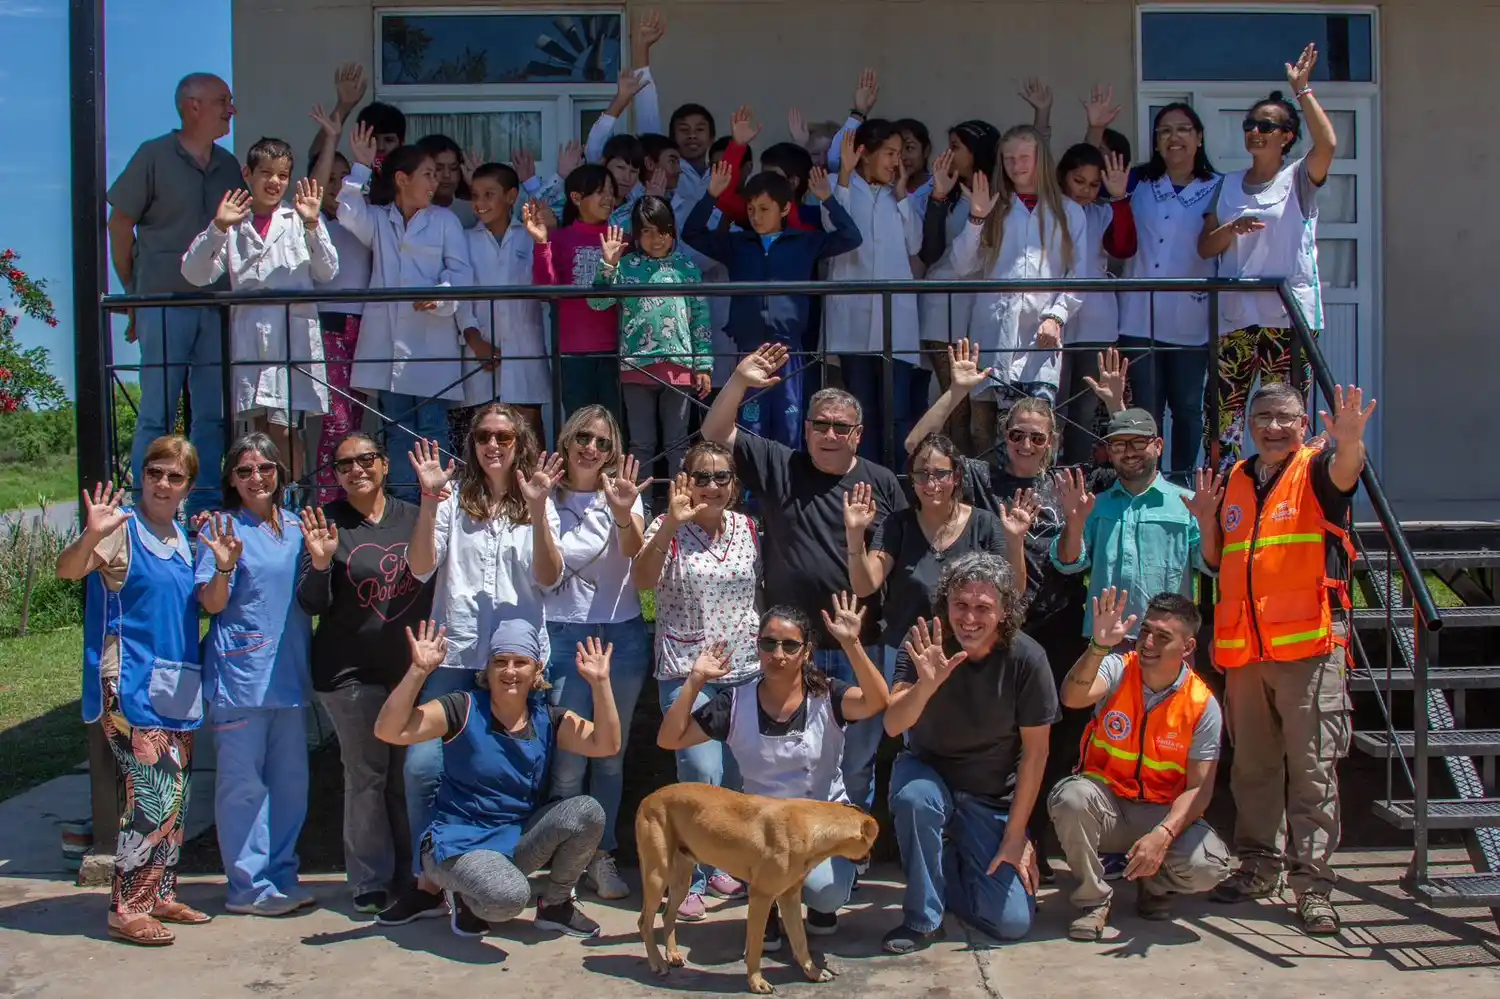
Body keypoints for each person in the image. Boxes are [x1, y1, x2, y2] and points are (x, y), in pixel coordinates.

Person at [1197, 381, 1372, 936]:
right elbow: (1217, 557)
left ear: (1303, 425)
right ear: (1249, 422)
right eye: (1264, 416)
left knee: (1313, 772)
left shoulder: (1317, 470)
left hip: (1308, 650)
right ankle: (1258, 867)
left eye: (1286, 418)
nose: (1274, 427)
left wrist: (1348, 442)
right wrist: (1206, 518)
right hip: (1246, 653)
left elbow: (1347, 473)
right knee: (1253, 769)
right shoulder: (1236, 480)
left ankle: (1313, 885)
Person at [703, 345, 908, 814]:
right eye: (819, 424)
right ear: (806, 427)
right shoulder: (781, 463)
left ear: (858, 434)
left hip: (859, 646)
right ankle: (781, 853)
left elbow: (879, 572)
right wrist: (738, 380)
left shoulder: (882, 483)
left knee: (856, 763)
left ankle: (844, 861)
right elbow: (714, 433)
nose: (828, 435)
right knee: (779, 762)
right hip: (789, 651)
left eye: (840, 427)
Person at [381, 404, 564, 925]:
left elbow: (549, 577)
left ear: (519, 441)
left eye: (505, 435)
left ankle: (485, 875)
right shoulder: (453, 497)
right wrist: (427, 499)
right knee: (422, 769)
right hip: (456, 653)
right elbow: (419, 568)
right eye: (484, 434)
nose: (494, 444)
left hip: (515, 661)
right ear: (473, 442)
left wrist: (538, 509)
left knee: (506, 775)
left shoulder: (536, 498)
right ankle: (431, 878)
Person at [657, 598, 891, 945]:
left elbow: (877, 701)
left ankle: (816, 904)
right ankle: (765, 905)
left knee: (826, 893)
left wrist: (852, 644)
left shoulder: (828, 696)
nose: (778, 654)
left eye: (790, 645)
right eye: (768, 643)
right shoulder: (735, 703)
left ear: (806, 651)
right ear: (758, 648)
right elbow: (669, 738)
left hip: (820, 830)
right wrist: (695, 680)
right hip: (761, 835)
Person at [374, 618, 617, 940]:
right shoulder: (461, 708)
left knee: (587, 810)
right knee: (509, 898)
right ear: (487, 670)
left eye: (521, 662)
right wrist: (418, 671)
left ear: (536, 672)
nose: (509, 671)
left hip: (514, 837)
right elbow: (389, 730)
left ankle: (556, 905)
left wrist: (600, 683)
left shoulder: (548, 718)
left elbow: (607, 744)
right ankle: (461, 890)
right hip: (456, 843)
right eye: (500, 662)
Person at [58, 436, 211, 946]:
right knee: (151, 796)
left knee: (176, 797)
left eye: (175, 476)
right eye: (155, 473)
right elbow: (70, 569)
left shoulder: (183, 538)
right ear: (141, 476)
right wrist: (89, 535)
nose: (163, 483)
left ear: (189, 485)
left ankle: (159, 891)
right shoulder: (122, 529)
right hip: (128, 682)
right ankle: (127, 907)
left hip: (176, 681)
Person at [882, 553, 1059, 953]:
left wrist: (1016, 837)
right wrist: (926, 685)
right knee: (914, 800)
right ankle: (923, 920)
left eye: (983, 608)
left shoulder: (1027, 658)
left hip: (990, 795)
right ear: (945, 604)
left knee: (1010, 923)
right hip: (929, 776)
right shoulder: (925, 642)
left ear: (1004, 612)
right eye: (960, 605)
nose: (969, 618)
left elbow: (1036, 755)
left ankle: (946, 866)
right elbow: (893, 725)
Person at [295, 432, 434, 914]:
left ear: (384, 463)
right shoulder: (326, 523)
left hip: (410, 672)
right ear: (334, 475)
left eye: (367, 459)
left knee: (409, 776)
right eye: (344, 464)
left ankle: (413, 875)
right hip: (348, 673)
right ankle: (370, 879)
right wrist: (317, 563)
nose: (357, 469)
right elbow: (312, 603)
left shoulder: (414, 518)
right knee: (367, 776)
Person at [1049, 588, 1230, 941]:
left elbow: (1199, 788)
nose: (1148, 642)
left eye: (1163, 637)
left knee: (1209, 866)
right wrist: (1098, 647)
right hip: (1108, 805)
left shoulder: (1202, 704)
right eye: (1146, 631)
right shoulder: (1119, 667)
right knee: (1070, 799)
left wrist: (1163, 835)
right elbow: (1071, 698)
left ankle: (1156, 885)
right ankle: (1093, 901)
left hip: (1160, 812)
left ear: (1188, 648)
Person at [632, 442, 762, 919]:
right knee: (699, 773)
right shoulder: (665, 528)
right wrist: (671, 522)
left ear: (734, 483)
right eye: (701, 477)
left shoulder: (748, 528)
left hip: (744, 669)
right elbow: (643, 581)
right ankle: (685, 879)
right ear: (684, 480)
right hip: (687, 668)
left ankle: (720, 863)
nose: (712, 486)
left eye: (721, 477)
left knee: (732, 780)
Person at [108, 73, 242, 515]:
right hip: (163, 303)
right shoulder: (152, 155)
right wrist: (133, 294)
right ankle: (144, 506)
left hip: (215, 305)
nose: (231, 109)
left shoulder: (227, 164)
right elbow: (120, 224)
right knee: (156, 412)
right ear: (192, 106)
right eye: (222, 101)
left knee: (212, 414)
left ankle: (203, 504)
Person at [1199, 43, 1337, 472]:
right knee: (1225, 418)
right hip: (1237, 318)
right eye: (1250, 124)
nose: (1255, 131)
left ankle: (1290, 491)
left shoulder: (1297, 177)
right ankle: (1224, 501)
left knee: (1286, 417)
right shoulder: (1227, 184)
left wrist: (1302, 91)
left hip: (1288, 318)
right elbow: (1206, 247)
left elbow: (1328, 143)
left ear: (1286, 136)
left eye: (1266, 125)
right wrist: (1231, 229)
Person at [193, 433, 314, 916]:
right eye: (244, 471)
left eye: (265, 467)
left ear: (280, 474)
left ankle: (282, 875)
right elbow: (210, 604)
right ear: (231, 480)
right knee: (244, 787)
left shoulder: (296, 526)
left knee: (291, 784)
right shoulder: (221, 528)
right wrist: (223, 568)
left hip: (289, 674)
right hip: (240, 677)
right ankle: (248, 887)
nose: (256, 477)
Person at [544, 406, 651, 901]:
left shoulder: (622, 496)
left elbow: (634, 555)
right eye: (583, 436)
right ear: (566, 440)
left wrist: (624, 511)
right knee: (568, 759)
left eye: (603, 442)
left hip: (621, 633)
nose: (591, 447)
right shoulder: (544, 494)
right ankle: (567, 858)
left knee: (610, 753)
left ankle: (601, 853)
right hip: (563, 632)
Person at [181, 139, 336, 477]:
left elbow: (328, 271)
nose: (275, 182)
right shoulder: (234, 224)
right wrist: (218, 228)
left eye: (283, 175)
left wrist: (312, 224)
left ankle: (290, 504)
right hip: (251, 339)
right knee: (257, 432)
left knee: (286, 428)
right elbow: (194, 274)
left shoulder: (299, 219)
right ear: (247, 174)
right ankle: (264, 505)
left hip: (290, 339)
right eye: (266, 173)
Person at [338, 124, 474, 502]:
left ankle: (440, 513)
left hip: (432, 345)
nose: (436, 182)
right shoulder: (380, 219)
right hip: (389, 349)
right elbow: (348, 213)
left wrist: (441, 296)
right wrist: (361, 169)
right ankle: (400, 512)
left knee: (432, 429)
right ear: (402, 179)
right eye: (428, 175)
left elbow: (461, 274)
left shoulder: (444, 221)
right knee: (395, 431)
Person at [684, 169, 861, 450]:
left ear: (786, 208)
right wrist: (711, 195)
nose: (756, 216)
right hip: (748, 350)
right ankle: (752, 494)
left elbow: (851, 237)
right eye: (751, 209)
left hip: (789, 349)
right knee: (749, 427)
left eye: (764, 208)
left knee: (790, 426)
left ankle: (788, 491)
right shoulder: (737, 243)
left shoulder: (805, 242)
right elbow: (691, 233)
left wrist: (827, 198)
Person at [948, 129, 1088, 454]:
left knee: (1037, 435)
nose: (1016, 165)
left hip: (1041, 339)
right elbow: (961, 265)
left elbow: (1079, 275)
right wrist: (977, 218)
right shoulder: (993, 206)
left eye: (1024, 157)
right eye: (1009, 158)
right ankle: (991, 505)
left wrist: (1057, 316)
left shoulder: (1068, 212)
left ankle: (1036, 504)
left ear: (1041, 159)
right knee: (987, 437)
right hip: (993, 337)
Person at [847, 432, 1034, 660]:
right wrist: (855, 535)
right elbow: (865, 586)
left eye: (940, 473)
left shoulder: (984, 524)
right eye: (921, 474)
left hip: (969, 655)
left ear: (956, 476)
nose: (931, 483)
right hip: (906, 655)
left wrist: (1015, 540)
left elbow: (1014, 588)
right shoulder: (897, 525)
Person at [1118, 102, 1220, 476]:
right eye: (1164, 131)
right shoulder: (1137, 182)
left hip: (1191, 319)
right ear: (1156, 143)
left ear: (1198, 138)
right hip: (1138, 317)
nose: (1173, 137)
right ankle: (1147, 481)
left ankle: (1183, 484)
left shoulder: (1218, 188)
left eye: (1182, 129)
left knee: (1189, 407)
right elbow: (1095, 187)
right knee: (1145, 408)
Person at [1053, 408, 1208, 642]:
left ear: (1158, 445)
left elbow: (1211, 565)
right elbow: (1067, 564)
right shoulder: (1093, 506)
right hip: (1105, 644)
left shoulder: (1188, 504)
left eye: (1138, 442)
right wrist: (1074, 523)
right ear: (1108, 452)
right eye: (1118, 445)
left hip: (1169, 643)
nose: (1128, 452)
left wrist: (1208, 524)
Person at [591, 199, 713, 478]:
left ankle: (679, 505)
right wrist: (607, 265)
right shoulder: (627, 266)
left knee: (678, 443)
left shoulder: (686, 267)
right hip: (636, 367)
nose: (656, 239)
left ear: (673, 231)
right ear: (635, 233)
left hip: (680, 367)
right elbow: (597, 303)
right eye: (646, 231)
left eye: (663, 230)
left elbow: (701, 317)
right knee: (641, 444)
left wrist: (703, 364)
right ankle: (638, 509)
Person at [827, 116, 923, 463]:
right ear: (864, 153)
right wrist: (843, 177)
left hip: (895, 321)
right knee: (860, 411)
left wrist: (901, 196)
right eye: (889, 153)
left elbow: (915, 244)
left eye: (899, 154)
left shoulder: (896, 196)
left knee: (896, 412)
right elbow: (831, 226)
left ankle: (895, 482)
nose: (896, 161)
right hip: (854, 320)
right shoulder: (840, 185)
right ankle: (861, 482)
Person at [916, 122, 1001, 454]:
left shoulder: (1000, 194)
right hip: (942, 306)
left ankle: (982, 487)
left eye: (956, 146)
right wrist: (937, 197)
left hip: (981, 310)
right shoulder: (936, 190)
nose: (947, 153)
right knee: (953, 402)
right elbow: (929, 250)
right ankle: (956, 481)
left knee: (983, 406)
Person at [307, 106, 374, 503]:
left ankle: (355, 498)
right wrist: (332, 134)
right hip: (328, 325)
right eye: (328, 178)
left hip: (365, 327)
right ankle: (328, 503)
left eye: (342, 178)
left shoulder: (361, 218)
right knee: (336, 421)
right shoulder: (310, 224)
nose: (335, 185)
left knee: (357, 422)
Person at [456, 161, 549, 442]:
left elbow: (546, 285)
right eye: (475, 195)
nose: (480, 203)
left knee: (529, 437)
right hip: (479, 353)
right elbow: (460, 297)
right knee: (486, 437)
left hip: (525, 350)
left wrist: (542, 241)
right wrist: (474, 340)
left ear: (510, 196)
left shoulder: (529, 236)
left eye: (489, 194)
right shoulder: (464, 239)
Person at [1055, 143, 1134, 466]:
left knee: (1085, 406)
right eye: (1078, 181)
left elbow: (1124, 246)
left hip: (1095, 319)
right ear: (1062, 177)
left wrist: (1118, 199)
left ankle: (1077, 475)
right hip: (1052, 318)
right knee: (1052, 403)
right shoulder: (1049, 210)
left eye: (1093, 184)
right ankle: (1045, 477)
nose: (1086, 191)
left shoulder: (1102, 212)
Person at [527, 165, 622, 416]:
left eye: (612, 192)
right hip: (572, 351)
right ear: (577, 197)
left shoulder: (623, 238)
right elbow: (547, 290)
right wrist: (542, 243)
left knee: (615, 428)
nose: (609, 198)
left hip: (619, 350)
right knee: (578, 426)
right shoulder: (560, 238)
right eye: (600, 191)